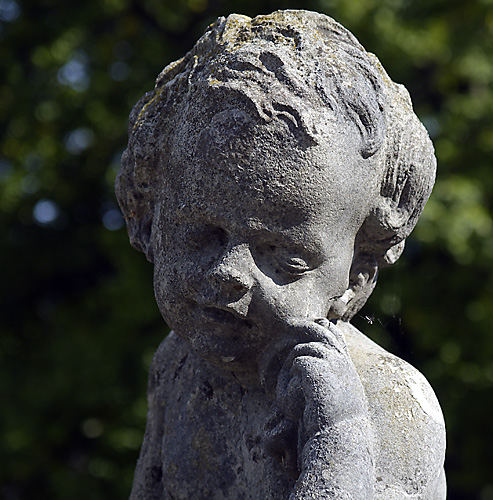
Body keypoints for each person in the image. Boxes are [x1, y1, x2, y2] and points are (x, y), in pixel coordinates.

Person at [116, 10, 445, 499]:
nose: (229, 273)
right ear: (148, 222)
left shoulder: (388, 403)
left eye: (283, 258)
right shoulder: (178, 366)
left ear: (357, 274)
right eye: (201, 236)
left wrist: (338, 441)